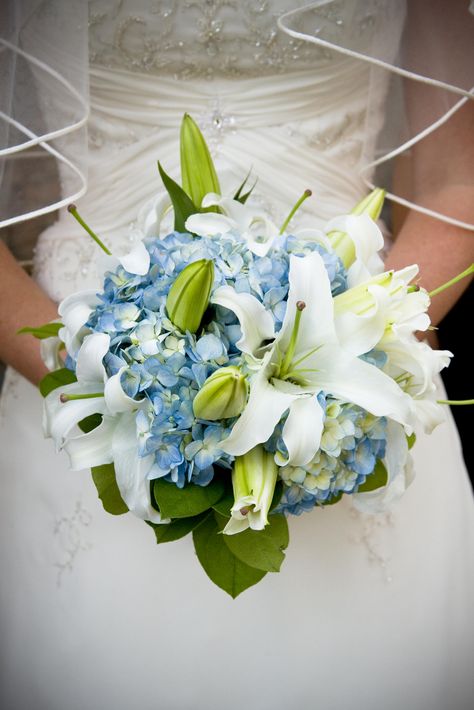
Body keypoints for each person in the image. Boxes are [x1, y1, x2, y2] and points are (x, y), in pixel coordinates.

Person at [0, 2, 473, 709]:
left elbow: (454, 181)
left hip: (354, 369)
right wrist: (102, 386)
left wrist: (356, 354)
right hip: (89, 380)